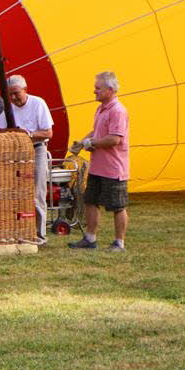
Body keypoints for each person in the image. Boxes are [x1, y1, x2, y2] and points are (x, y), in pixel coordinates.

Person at [68, 71, 130, 252]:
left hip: (114, 168)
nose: (94, 91)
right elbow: (96, 132)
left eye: (97, 88)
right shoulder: (101, 109)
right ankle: (90, 238)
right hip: (97, 167)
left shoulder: (118, 111)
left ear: (110, 89)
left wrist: (92, 142)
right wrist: (82, 142)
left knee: (118, 206)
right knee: (90, 201)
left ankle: (119, 242)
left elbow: (114, 139)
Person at [0, 75, 54, 243]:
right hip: (15, 153)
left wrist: (28, 134)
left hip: (37, 150)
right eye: (10, 95)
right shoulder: (7, 108)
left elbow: (48, 133)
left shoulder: (38, 103)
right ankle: (15, 230)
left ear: (25, 90)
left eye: (16, 94)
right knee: (12, 191)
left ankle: (39, 234)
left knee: (37, 192)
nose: (13, 98)